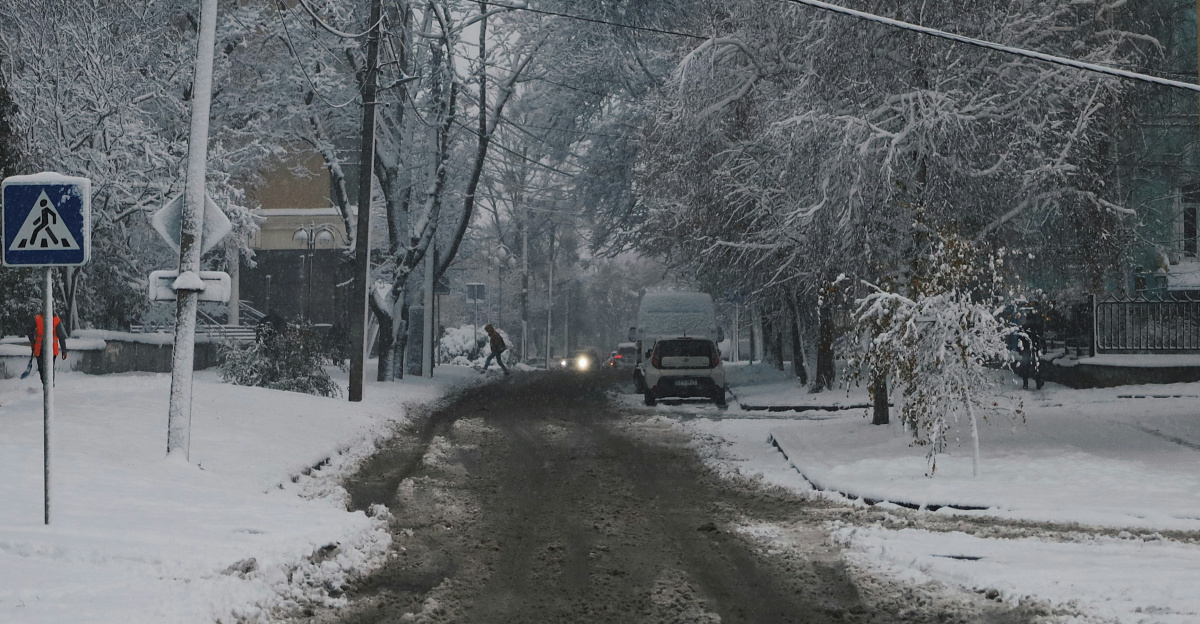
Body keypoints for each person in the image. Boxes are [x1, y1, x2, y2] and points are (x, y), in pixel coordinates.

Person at [26, 313, 68, 382]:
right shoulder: (56, 320)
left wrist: (32, 341)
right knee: (49, 368)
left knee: (43, 369)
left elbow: (29, 329)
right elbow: (61, 336)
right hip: (50, 349)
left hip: (41, 349)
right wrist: (64, 350)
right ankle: (49, 384)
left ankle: (47, 383)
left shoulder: (38, 318)